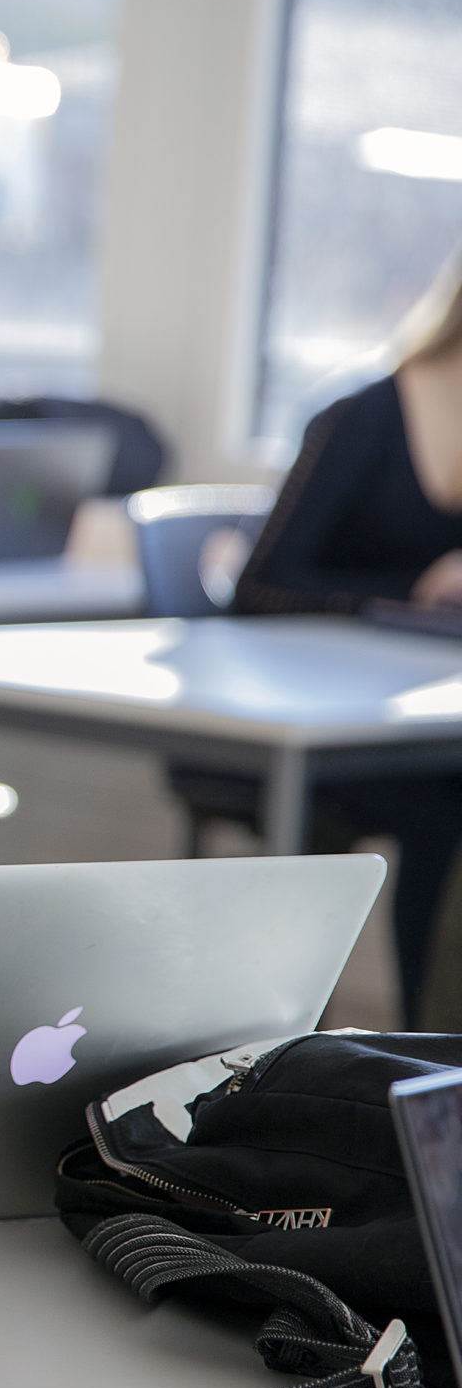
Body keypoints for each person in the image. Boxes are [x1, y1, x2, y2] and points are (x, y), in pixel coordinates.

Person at [234, 251, 462, 1018]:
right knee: (449, 816)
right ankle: (426, 1058)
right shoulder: (360, 417)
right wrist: (409, 593)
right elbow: (260, 582)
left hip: (424, 719)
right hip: (316, 727)